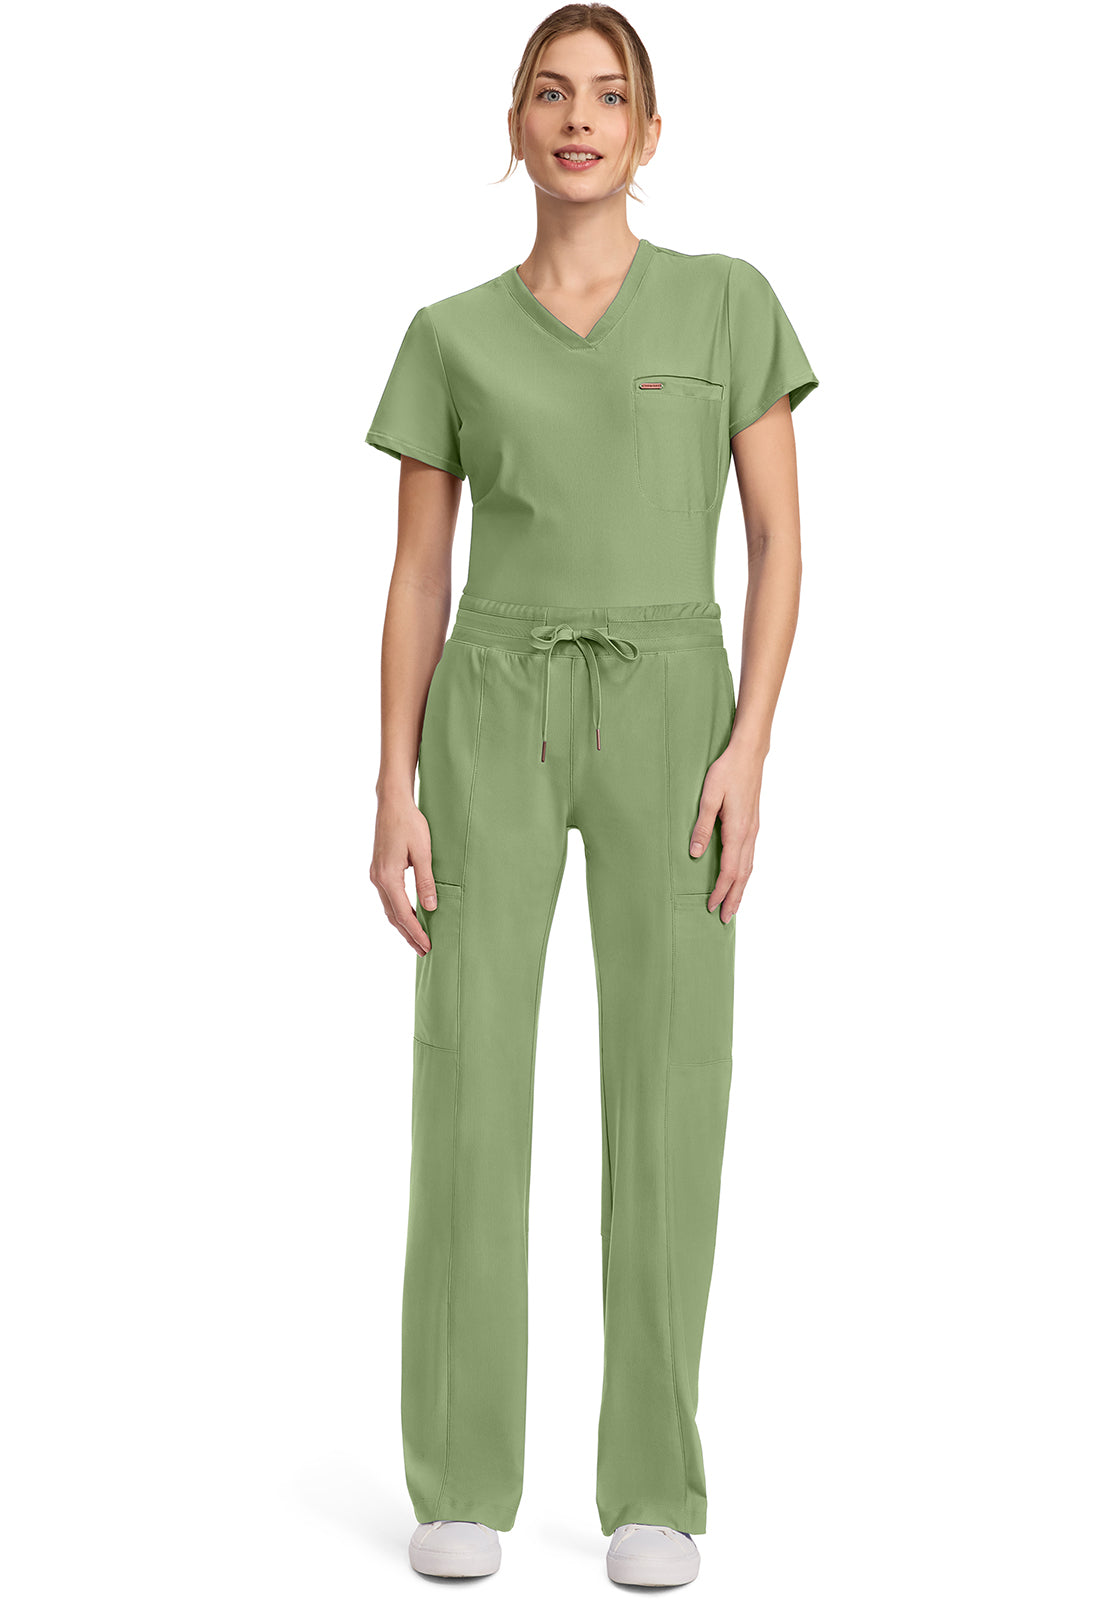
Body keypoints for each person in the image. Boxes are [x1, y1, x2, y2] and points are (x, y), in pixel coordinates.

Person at [366, 4, 817, 1586]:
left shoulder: (726, 302)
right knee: (469, 1077)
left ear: (647, 130)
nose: (578, 119)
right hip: (491, 704)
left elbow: (779, 542)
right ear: (516, 124)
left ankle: (654, 1487)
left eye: (608, 96)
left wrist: (750, 746)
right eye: (551, 94)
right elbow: (417, 576)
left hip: (674, 704)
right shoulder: (449, 334)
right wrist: (392, 785)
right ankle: (461, 1472)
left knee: (673, 1083)